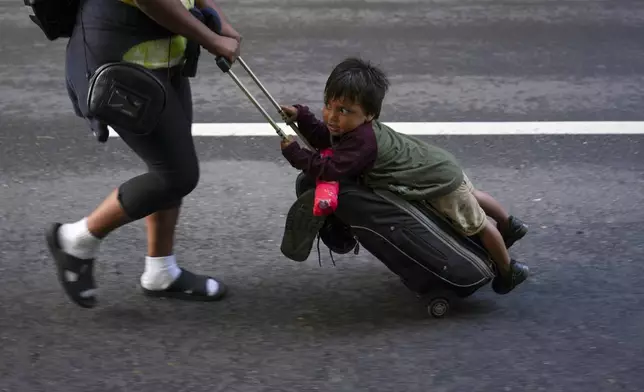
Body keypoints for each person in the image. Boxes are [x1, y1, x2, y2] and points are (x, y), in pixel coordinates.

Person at [45, 0, 241, 308]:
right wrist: (212, 38)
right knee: (176, 175)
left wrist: (218, 19)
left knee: (171, 161)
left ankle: (161, 271)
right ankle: (76, 240)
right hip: (121, 60)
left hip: (162, 55)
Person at [278, 57, 530, 294]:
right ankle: (509, 223)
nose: (332, 116)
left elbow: (330, 169)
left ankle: (508, 271)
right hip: (436, 164)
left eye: (344, 110)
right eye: (328, 105)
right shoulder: (354, 129)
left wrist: (296, 154)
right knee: (472, 195)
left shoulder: (362, 142)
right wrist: (302, 117)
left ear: (369, 115)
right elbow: (327, 138)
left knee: (478, 224)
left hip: (437, 182)